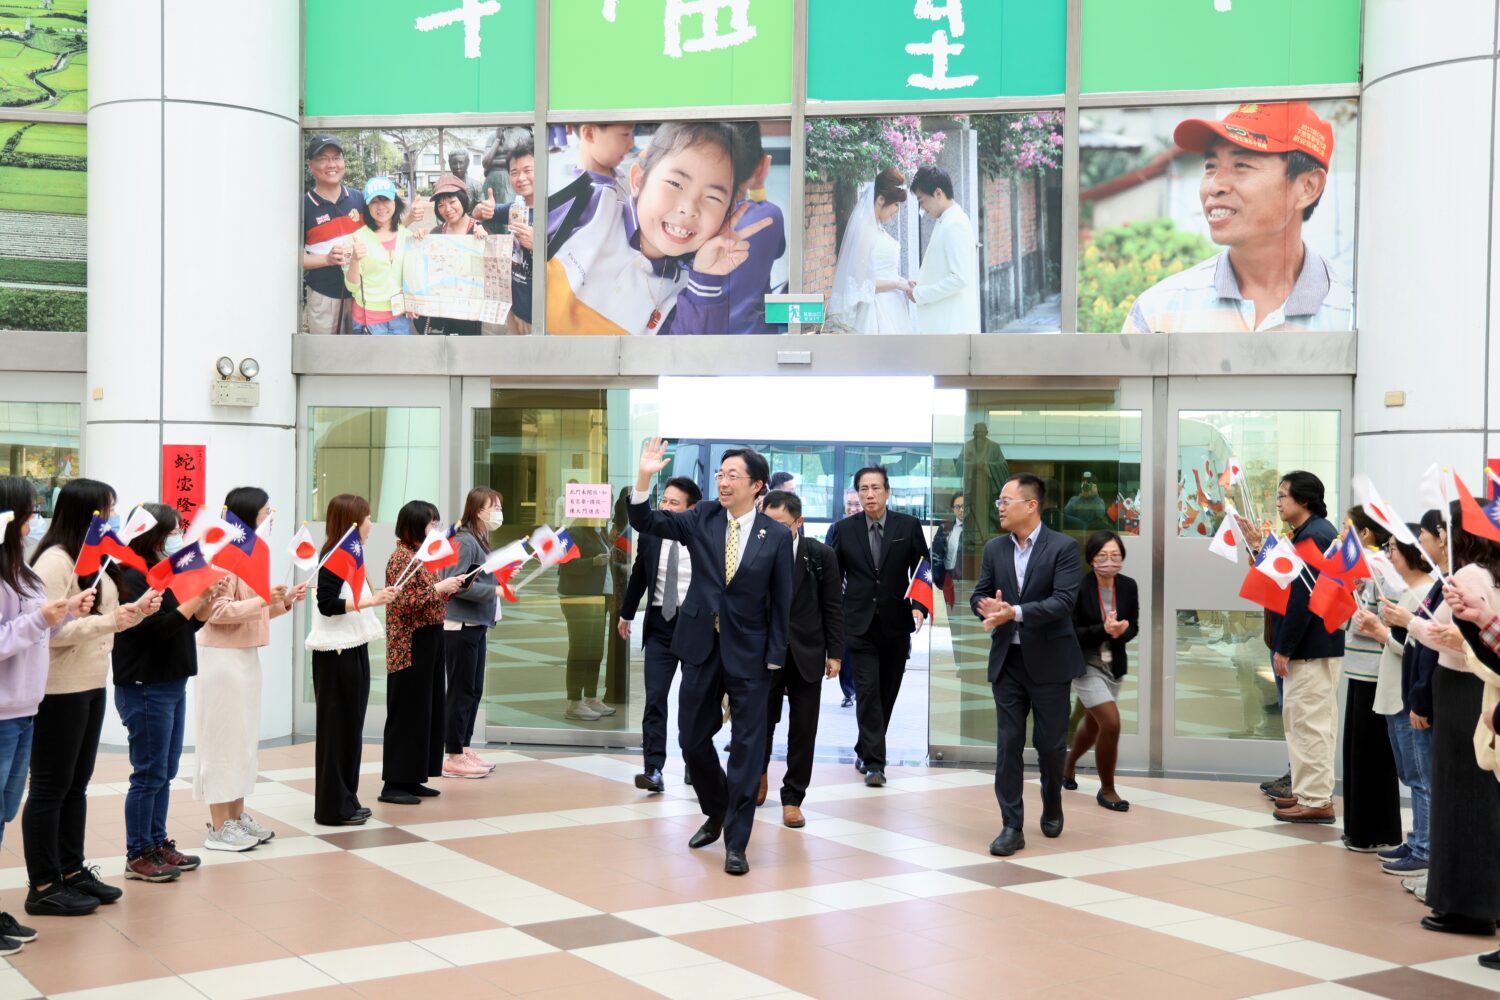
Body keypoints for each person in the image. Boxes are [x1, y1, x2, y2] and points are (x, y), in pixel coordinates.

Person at [628, 439, 793, 875]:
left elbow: (783, 601)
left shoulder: (774, 536)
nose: (723, 481)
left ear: (757, 485)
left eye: (732, 475)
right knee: (692, 740)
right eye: (720, 474)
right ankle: (716, 809)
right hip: (700, 647)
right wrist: (644, 476)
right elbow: (645, 519)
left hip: (752, 656)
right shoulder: (701, 517)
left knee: (746, 750)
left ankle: (736, 842)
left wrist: (775, 657)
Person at [24, 479, 156, 916]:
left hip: (92, 683)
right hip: (59, 689)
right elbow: (50, 632)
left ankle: (72, 870)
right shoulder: (56, 561)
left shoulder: (96, 559)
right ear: (87, 514)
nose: (113, 518)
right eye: (108, 510)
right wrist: (111, 621)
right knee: (49, 787)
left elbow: (105, 621)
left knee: (76, 785)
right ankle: (43, 884)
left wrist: (133, 615)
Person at [1125, 102, 1351, 334]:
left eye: (1241, 165)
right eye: (1210, 166)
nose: (1214, 186)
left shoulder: (1354, 312)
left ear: (1308, 187)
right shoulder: (1158, 312)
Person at [546, 122, 775, 335]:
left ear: (726, 214)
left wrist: (707, 278)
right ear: (638, 180)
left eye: (713, 197)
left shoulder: (689, 286)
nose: (689, 208)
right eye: (675, 184)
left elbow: (685, 367)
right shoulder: (593, 207)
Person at [0, 476, 94, 944]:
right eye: (28, 511)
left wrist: (68, 611)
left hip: (24, 708)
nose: (34, 519)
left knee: (3, 813)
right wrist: (41, 617)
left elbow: (42, 630)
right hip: (3, 711)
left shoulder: (21, 571)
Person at [972, 473, 1085, 856]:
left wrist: (1014, 612)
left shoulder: (1064, 548)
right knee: (1008, 745)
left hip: (1050, 662)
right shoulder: (994, 549)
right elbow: (979, 594)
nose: (999, 507)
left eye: (1006, 501)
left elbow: (1064, 602)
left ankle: (1052, 800)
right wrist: (986, 608)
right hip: (1009, 662)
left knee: (1051, 746)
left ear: (1031, 505)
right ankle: (1011, 825)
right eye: (999, 502)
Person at [1404, 500, 1500, 936]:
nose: (1435, 538)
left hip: (1463, 692)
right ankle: (1471, 900)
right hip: (1473, 689)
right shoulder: (1488, 571)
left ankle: (1466, 904)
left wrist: (1406, 621)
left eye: (1443, 528)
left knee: (1461, 800)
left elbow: (1452, 637)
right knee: (1472, 799)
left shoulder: (1467, 575)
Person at [113, 505, 223, 878]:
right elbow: (154, 630)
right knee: (148, 772)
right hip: (145, 686)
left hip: (172, 681)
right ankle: (138, 853)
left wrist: (206, 600)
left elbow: (184, 626)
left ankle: (157, 843)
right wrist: (198, 597)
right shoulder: (131, 575)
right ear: (153, 534)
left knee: (165, 769)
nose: (177, 538)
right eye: (172, 532)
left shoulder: (163, 572)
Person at [197, 487, 304, 851]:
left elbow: (253, 609)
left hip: (245, 656)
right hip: (222, 660)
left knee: (243, 742)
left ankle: (237, 815)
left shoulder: (250, 555)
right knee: (222, 742)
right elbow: (217, 612)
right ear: (248, 516)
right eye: (264, 512)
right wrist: (263, 599)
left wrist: (282, 602)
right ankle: (218, 826)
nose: (269, 518)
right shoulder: (223, 556)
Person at [1238, 472, 1344, 824]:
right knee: (1301, 722)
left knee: (1309, 723)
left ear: (1305, 501)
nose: (1278, 502)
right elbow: (1281, 578)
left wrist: (1284, 647)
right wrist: (1257, 548)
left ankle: (1316, 800)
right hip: (1308, 647)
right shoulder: (1306, 533)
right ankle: (1306, 791)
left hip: (1311, 648)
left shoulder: (1316, 535)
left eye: (1284, 496)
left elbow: (1301, 599)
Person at [825, 466, 930, 787]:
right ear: (857, 493)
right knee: (868, 692)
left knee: (887, 693)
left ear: (887, 491)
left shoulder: (907, 526)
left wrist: (919, 606)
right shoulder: (844, 529)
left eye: (875, 488)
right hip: (858, 624)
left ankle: (864, 745)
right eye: (864, 489)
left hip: (897, 624)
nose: (869, 494)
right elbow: (832, 578)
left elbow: (923, 569)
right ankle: (875, 763)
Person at [1352, 523, 1434, 878]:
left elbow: (1420, 649)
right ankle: (1416, 839)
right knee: (1409, 773)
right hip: (1393, 693)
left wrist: (1383, 631)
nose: (1388, 556)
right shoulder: (1409, 591)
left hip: (1406, 697)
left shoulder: (1425, 593)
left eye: (1393, 550)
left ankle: (1425, 847)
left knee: (1420, 777)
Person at [305, 495, 393, 826]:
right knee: (337, 730)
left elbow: (354, 598)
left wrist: (376, 598)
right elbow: (327, 603)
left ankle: (347, 797)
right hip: (334, 653)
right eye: (368, 517)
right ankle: (331, 807)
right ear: (353, 521)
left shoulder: (351, 554)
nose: (372, 523)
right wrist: (370, 601)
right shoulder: (333, 556)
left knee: (351, 728)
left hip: (351, 646)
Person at [758, 491, 843, 827]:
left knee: (804, 728)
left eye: (781, 525)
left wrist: (835, 653)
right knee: (759, 723)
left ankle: (793, 797)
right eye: (768, 523)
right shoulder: (756, 551)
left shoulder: (820, 555)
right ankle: (757, 776)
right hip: (765, 651)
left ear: (798, 522)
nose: (773, 531)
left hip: (807, 651)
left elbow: (834, 606)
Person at [619, 476, 701, 792]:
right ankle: (653, 768)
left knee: (695, 700)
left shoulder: (703, 535)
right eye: (663, 500)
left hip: (694, 626)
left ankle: (696, 763)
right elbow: (640, 573)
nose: (665, 507)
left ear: (691, 509)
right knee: (655, 698)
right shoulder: (652, 534)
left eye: (673, 503)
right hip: (660, 626)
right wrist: (627, 613)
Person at [381, 501, 463, 804]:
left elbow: (427, 598)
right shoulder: (401, 558)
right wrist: (439, 589)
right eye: (431, 524)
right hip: (410, 643)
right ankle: (394, 783)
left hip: (429, 638)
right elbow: (403, 602)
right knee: (407, 712)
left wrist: (451, 587)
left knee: (427, 710)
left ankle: (414, 777)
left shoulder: (421, 557)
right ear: (413, 526)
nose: (436, 530)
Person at [1337, 507, 1402, 852]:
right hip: (1362, 670)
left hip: (1375, 672)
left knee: (1370, 754)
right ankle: (1362, 829)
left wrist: (1348, 614)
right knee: (1359, 752)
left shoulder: (1378, 567)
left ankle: (1373, 832)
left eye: (1347, 527)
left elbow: (1385, 618)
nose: (1342, 534)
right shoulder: (1364, 567)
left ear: (1364, 534)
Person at [1063, 530, 1138, 811]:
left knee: (1094, 724)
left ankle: (1067, 766)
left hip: (1113, 665)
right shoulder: (1079, 588)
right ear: (1092, 558)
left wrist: (1122, 631)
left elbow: (1135, 625)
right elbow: (1072, 632)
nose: (1110, 561)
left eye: (1115, 555)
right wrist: (1102, 630)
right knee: (1111, 722)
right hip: (1086, 665)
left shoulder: (1128, 586)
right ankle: (1107, 789)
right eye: (1103, 555)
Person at [437, 487, 504, 778]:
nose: (499, 511)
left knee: (473, 690)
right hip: (460, 626)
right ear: (478, 510)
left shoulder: (480, 539)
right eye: (494, 506)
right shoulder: (464, 541)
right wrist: (494, 590)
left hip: (476, 624)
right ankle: (452, 754)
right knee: (461, 691)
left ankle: (462, 747)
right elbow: (456, 583)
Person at [826, 168, 915, 335]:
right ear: (880, 199)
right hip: (876, 310)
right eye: (895, 204)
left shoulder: (876, 229)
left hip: (891, 306)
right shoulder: (865, 231)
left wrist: (904, 282)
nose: (897, 210)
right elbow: (861, 283)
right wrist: (897, 284)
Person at [722, 123, 787, 335]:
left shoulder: (693, 218)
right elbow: (778, 249)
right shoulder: (770, 217)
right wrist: (758, 189)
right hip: (757, 341)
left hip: (703, 341)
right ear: (761, 166)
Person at [302, 135, 364, 335]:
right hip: (323, 297)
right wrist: (327, 259)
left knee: (358, 357)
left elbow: (383, 234)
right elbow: (292, 258)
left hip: (361, 296)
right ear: (310, 164)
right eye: (323, 159)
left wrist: (408, 221)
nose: (332, 165)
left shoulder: (359, 199)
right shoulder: (303, 207)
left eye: (336, 157)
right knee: (324, 359)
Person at [908, 165, 979, 334]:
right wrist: (923, 283)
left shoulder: (955, 224)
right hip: (944, 325)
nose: (922, 207)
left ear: (938, 193)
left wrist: (919, 294)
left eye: (921, 200)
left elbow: (959, 278)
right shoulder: (947, 220)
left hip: (951, 327)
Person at [344, 177, 415, 336]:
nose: (381, 207)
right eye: (374, 202)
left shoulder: (408, 236)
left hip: (401, 318)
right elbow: (351, 287)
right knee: (370, 362)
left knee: (398, 361)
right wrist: (355, 260)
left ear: (395, 202)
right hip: (368, 320)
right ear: (367, 206)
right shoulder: (356, 238)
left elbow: (414, 277)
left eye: (385, 200)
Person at [560, 524, 615, 721]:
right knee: (580, 649)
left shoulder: (599, 532)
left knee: (594, 649)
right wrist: (592, 562)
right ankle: (574, 702)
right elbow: (565, 565)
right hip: (579, 598)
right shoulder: (575, 531)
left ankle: (591, 697)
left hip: (599, 597)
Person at [507, 139, 537, 335]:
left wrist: (538, 245)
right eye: (514, 173)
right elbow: (491, 211)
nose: (521, 178)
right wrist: (482, 210)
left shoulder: (556, 210)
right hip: (515, 310)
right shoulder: (515, 208)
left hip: (541, 317)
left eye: (528, 170)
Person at [575, 121, 635, 195]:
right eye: (625, 134)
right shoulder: (588, 200)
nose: (631, 144)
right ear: (590, 134)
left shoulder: (617, 171)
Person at [931, 493, 964, 608]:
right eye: (957, 507)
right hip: (949, 577)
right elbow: (936, 554)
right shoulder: (946, 528)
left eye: (964, 506)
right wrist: (939, 579)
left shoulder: (975, 530)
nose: (961, 510)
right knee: (952, 613)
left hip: (968, 578)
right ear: (953, 509)